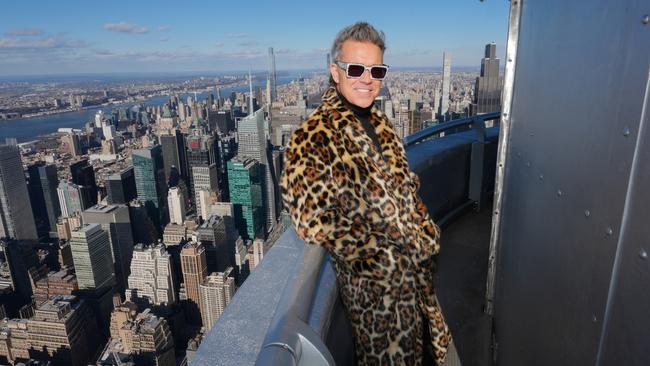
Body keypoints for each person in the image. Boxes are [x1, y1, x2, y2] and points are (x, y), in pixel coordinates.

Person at [280, 22, 458, 365]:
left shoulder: (381, 125)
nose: (367, 78)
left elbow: (404, 188)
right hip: (376, 297)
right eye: (356, 68)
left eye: (376, 70)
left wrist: (423, 233)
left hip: (415, 279)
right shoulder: (312, 136)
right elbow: (310, 221)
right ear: (336, 71)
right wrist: (383, 252)